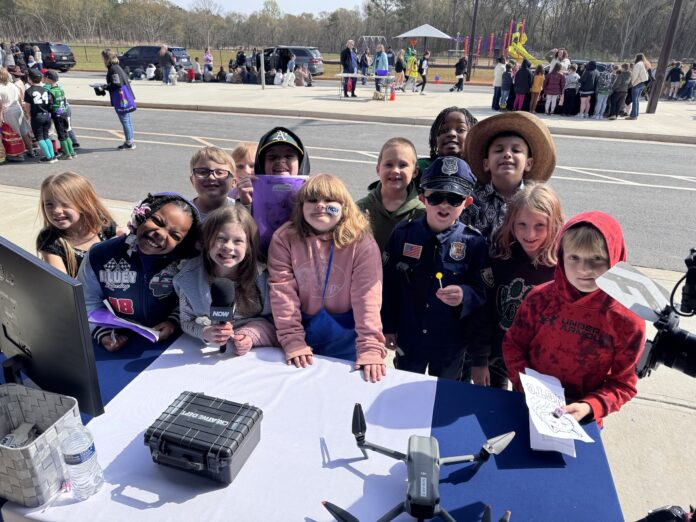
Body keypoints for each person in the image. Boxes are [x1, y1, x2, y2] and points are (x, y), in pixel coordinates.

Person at [503, 211, 646, 424]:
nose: (584, 269)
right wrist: (525, 385)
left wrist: (590, 406)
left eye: (596, 258)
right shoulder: (540, 298)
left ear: (615, 258)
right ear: (561, 258)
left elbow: (623, 384)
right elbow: (513, 345)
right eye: (574, 258)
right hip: (527, 402)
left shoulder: (627, 320)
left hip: (579, 419)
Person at [267, 174, 387, 383]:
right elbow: (282, 292)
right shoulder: (284, 239)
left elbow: (367, 297)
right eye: (312, 200)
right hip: (301, 328)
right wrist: (292, 339)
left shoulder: (361, 242)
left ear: (344, 207)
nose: (320, 205)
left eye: (330, 200)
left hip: (348, 333)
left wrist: (370, 347)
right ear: (301, 207)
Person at [382, 156, 487, 379]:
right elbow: (389, 284)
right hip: (410, 336)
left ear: (467, 202)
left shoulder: (473, 242)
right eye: (436, 197)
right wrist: (388, 326)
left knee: (444, 392)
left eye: (454, 199)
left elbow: (482, 292)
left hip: (450, 341)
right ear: (423, 198)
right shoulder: (404, 233)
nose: (444, 204)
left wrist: (464, 294)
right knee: (405, 387)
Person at [466, 183, 563, 388]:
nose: (530, 234)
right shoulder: (499, 260)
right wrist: (480, 360)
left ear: (554, 223)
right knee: (493, 404)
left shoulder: (563, 270)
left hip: (540, 363)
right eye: (522, 224)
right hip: (498, 358)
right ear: (511, 222)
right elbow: (484, 313)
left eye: (540, 225)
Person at [78, 193, 200, 352]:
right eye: (157, 221)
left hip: (172, 344)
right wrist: (101, 331)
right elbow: (86, 301)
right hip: (119, 340)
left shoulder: (184, 263)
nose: (161, 234)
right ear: (142, 215)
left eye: (175, 235)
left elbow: (191, 300)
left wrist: (173, 321)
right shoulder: (100, 255)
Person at [174, 206, 277, 355]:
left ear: (249, 247)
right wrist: (205, 332)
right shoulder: (189, 278)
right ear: (206, 242)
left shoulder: (263, 278)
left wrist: (250, 336)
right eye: (220, 239)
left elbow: (274, 320)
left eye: (238, 241)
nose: (228, 247)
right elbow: (186, 321)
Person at [462, 111, 557, 241]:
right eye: (499, 150)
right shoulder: (473, 201)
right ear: (486, 164)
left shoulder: (538, 201)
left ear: (528, 163)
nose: (507, 154)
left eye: (516, 150)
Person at [36, 172, 120, 277]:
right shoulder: (50, 240)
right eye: (49, 204)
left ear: (84, 203)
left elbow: (128, 248)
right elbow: (62, 283)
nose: (56, 210)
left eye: (65, 203)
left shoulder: (104, 225)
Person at [356, 137, 424, 251]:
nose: (395, 170)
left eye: (402, 165)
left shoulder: (422, 214)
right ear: (378, 169)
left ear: (415, 172)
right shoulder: (359, 209)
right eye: (389, 164)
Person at [417, 106, 479, 175]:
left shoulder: (480, 170)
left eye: (460, 130)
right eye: (444, 130)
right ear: (435, 138)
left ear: (472, 137)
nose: (451, 133)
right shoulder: (419, 168)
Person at [98, 49, 137, 150]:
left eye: (103, 58)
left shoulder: (113, 69)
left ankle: (129, 142)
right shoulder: (117, 67)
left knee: (125, 120)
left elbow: (117, 84)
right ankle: (130, 140)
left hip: (121, 99)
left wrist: (105, 87)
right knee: (128, 120)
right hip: (124, 97)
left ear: (107, 58)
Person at [189, 146, 237, 222]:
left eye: (220, 173)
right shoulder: (184, 212)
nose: (211, 177)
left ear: (233, 182)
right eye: (203, 172)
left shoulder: (240, 210)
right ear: (192, 180)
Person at [22, 69, 55, 162]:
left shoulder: (29, 91)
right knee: (46, 136)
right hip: (47, 115)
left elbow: (27, 106)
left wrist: (28, 114)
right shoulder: (45, 89)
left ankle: (48, 157)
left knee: (39, 137)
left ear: (29, 79)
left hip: (37, 115)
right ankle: (52, 155)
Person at [0, 66, 33, 156]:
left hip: (8, 112)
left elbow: (0, 104)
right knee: (24, 132)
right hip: (18, 109)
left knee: (14, 134)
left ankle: (18, 153)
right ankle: (31, 151)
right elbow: (19, 98)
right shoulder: (12, 85)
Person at [43, 71, 75, 160]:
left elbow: (49, 104)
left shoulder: (51, 92)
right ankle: (72, 152)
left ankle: (67, 154)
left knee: (61, 135)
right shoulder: (60, 89)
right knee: (65, 133)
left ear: (48, 79)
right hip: (63, 112)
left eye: (45, 78)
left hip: (57, 114)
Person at [628, 54, 650, 120]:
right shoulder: (645, 64)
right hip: (643, 83)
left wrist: (632, 83)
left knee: (634, 100)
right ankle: (635, 114)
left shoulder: (638, 64)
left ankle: (633, 115)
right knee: (637, 100)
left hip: (637, 83)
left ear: (637, 58)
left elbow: (635, 75)